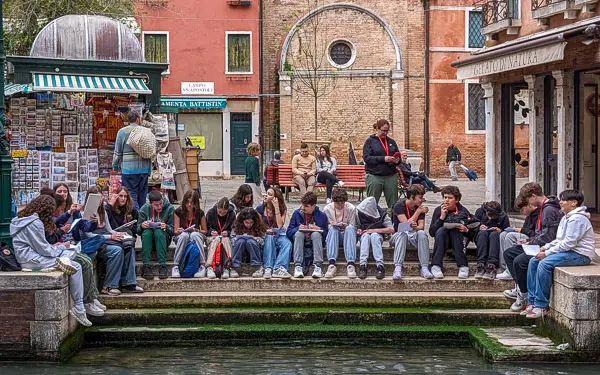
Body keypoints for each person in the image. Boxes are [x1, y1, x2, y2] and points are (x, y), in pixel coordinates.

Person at [9, 195, 91, 326]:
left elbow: (39, 246)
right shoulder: (35, 223)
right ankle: (79, 308)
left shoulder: (21, 219)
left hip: (28, 256)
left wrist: (55, 247)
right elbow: (44, 250)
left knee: (70, 260)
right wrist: (61, 247)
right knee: (74, 264)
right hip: (32, 259)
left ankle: (80, 307)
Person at [525, 190, 595, 319]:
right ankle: (532, 301)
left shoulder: (577, 219)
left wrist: (547, 253)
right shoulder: (566, 217)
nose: (560, 202)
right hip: (568, 251)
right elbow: (559, 240)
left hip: (580, 254)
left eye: (563, 200)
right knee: (533, 261)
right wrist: (545, 248)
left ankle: (541, 305)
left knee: (545, 263)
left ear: (573, 203)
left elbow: (569, 243)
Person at [42, 192, 107, 317]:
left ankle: (91, 297)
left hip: (73, 244)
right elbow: (51, 236)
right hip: (62, 248)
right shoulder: (52, 217)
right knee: (86, 260)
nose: (63, 194)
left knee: (98, 243)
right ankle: (87, 301)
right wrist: (65, 220)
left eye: (65, 191)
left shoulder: (74, 211)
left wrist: (94, 222)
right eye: (60, 191)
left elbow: (86, 227)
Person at [503, 182, 562, 313]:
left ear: (533, 196)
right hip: (540, 244)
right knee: (509, 253)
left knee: (520, 261)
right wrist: (528, 240)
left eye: (528, 200)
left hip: (546, 247)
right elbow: (542, 233)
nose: (529, 204)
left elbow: (549, 237)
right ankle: (521, 289)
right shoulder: (544, 209)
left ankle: (526, 295)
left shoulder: (549, 210)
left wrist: (530, 242)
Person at [80, 187, 142, 295]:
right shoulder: (84, 213)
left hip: (104, 241)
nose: (99, 201)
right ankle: (109, 285)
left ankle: (129, 282)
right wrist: (110, 237)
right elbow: (88, 235)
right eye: (97, 198)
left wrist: (118, 234)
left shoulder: (102, 211)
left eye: (100, 198)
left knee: (128, 246)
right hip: (93, 244)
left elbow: (109, 230)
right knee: (116, 250)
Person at [429, 186, 472, 279]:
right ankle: (436, 265)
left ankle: (463, 266)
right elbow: (432, 232)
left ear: (456, 200)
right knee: (441, 230)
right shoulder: (438, 210)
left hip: (458, 241)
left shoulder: (463, 211)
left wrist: (466, 229)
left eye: (450, 198)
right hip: (442, 241)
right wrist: (441, 218)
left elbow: (472, 233)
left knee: (455, 230)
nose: (446, 200)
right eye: (445, 197)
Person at [391, 185, 433, 280]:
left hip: (413, 236)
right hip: (398, 236)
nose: (422, 200)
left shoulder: (419, 208)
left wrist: (414, 227)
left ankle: (425, 267)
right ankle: (398, 268)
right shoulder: (399, 206)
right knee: (403, 234)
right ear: (412, 196)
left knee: (422, 234)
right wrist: (417, 212)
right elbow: (405, 225)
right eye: (420, 197)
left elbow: (421, 227)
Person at [113, 109, 152, 210]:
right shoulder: (145, 131)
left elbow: (118, 152)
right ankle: (143, 218)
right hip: (144, 169)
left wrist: (115, 166)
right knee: (142, 197)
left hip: (129, 170)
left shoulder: (122, 132)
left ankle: (137, 218)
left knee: (131, 195)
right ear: (138, 119)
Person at [287, 192, 328, 279]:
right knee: (298, 234)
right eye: (302, 205)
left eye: (306, 206)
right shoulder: (297, 213)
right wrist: (298, 228)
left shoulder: (322, 216)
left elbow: (326, 235)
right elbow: (289, 232)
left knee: (316, 234)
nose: (303, 208)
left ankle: (318, 266)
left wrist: (319, 228)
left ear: (313, 206)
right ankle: (298, 266)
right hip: (300, 239)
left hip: (314, 239)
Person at [496, 199, 538, 280]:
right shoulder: (529, 216)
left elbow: (537, 233)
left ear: (529, 205)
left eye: (522, 209)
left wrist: (521, 230)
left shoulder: (539, 215)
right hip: (527, 235)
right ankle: (504, 267)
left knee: (510, 236)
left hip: (534, 239)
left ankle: (510, 270)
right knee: (503, 234)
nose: (522, 212)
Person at [362, 119, 400, 209]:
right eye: (383, 130)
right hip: (375, 176)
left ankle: (393, 221)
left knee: (393, 204)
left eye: (387, 131)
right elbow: (367, 158)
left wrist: (397, 160)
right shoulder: (369, 142)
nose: (385, 133)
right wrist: (383, 159)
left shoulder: (391, 142)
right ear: (377, 129)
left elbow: (399, 158)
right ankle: (371, 221)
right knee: (372, 203)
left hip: (390, 175)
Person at [138, 190, 175, 280]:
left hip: (163, 239)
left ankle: (162, 265)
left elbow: (174, 230)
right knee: (147, 232)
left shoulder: (170, 208)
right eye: (156, 205)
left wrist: (166, 226)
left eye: (161, 203)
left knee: (159, 231)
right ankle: (146, 265)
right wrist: (142, 226)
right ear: (150, 204)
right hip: (148, 239)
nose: (159, 207)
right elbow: (138, 230)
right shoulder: (144, 209)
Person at [257, 187, 293, 279]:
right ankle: (268, 267)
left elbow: (280, 225)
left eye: (269, 194)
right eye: (266, 193)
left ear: (275, 198)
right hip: (265, 234)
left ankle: (279, 268)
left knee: (287, 243)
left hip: (279, 234)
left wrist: (276, 207)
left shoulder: (282, 209)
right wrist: (266, 231)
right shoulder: (260, 209)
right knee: (269, 238)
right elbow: (258, 226)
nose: (265, 195)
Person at [171, 190, 208, 278]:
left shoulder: (200, 213)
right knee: (184, 235)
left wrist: (196, 230)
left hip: (195, 235)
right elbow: (175, 232)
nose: (189, 205)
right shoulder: (178, 212)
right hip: (181, 236)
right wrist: (179, 231)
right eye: (187, 202)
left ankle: (202, 265)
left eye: (192, 203)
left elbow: (205, 231)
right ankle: (176, 266)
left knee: (194, 235)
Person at [356, 196, 395, 280]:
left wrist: (373, 230)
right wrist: (359, 231)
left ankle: (380, 266)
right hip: (364, 237)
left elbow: (391, 229)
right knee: (366, 236)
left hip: (377, 237)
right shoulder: (359, 214)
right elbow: (356, 226)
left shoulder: (383, 215)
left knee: (374, 235)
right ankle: (362, 265)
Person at [323, 189, 358, 279]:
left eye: (342, 203)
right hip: (334, 237)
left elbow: (353, 226)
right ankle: (331, 264)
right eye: (338, 204)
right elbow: (326, 227)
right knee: (333, 229)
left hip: (348, 236)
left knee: (350, 228)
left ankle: (350, 264)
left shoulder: (351, 208)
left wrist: (346, 226)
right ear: (333, 201)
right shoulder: (327, 209)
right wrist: (333, 225)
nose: (340, 206)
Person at [473, 201, 510, 280]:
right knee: (482, 234)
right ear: (486, 211)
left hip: (495, 240)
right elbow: (472, 227)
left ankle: (492, 265)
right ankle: (480, 264)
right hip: (482, 238)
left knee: (494, 234)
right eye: (490, 215)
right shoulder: (479, 212)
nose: (491, 218)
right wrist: (479, 227)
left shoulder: (503, 216)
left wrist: (500, 230)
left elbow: (507, 231)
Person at [205, 197, 236, 279]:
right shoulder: (211, 212)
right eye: (219, 212)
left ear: (227, 210)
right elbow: (205, 229)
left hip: (226, 238)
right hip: (212, 238)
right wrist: (211, 232)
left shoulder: (232, 214)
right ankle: (209, 266)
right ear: (217, 208)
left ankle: (227, 266)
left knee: (225, 239)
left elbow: (234, 230)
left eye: (224, 213)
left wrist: (228, 233)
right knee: (217, 239)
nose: (221, 214)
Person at [232, 208, 267, 278]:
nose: (249, 225)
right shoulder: (236, 227)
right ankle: (235, 267)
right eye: (246, 223)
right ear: (242, 221)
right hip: (240, 251)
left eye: (251, 222)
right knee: (240, 241)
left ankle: (257, 266)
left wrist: (256, 239)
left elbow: (263, 242)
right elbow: (232, 240)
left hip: (255, 251)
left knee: (250, 241)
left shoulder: (259, 227)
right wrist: (239, 237)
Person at [245, 142, 265, 207]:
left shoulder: (247, 159)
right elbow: (254, 171)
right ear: (254, 151)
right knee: (258, 198)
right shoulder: (255, 159)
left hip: (247, 181)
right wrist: (257, 181)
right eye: (258, 150)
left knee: (250, 198)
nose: (259, 151)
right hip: (254, 182)